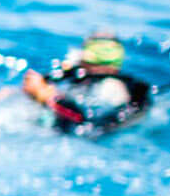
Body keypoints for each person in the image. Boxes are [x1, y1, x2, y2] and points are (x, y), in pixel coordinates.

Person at [20, 30, 156, 135]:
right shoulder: (123, 85)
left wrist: (48, 97)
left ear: (87, 57)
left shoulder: (110, 87)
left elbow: (88, 125)